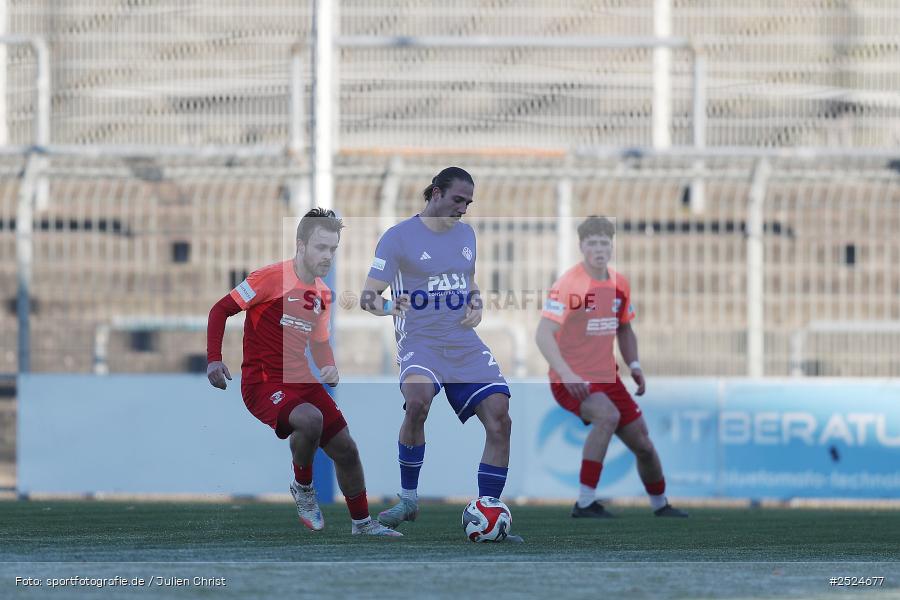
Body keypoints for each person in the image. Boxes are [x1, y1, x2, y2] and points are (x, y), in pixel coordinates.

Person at [206, 207, 401, 536]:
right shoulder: (270, 278)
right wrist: (214, 358)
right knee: (310, 419)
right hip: (263, 382)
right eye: (321, 247)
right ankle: (303, 488)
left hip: (303, 382)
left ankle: (362, 524)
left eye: (333, 249)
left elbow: (320, 342)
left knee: (347, 449)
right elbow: (220, 309)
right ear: (301, 245)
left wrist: (328, 365)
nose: (328, 256)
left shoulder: (323, 294)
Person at [361, 167, 521, 540]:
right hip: (421, 343)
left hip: (463, 345)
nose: (463, 208)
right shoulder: (398, 238)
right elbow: (369, 297)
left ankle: (489, 510)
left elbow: (469, 282)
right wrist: (390, 309)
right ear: (435, 193)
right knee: (417, 403)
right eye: (457, 200)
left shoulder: (466, 234)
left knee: (501, 419)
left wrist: (477, 305)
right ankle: (409, 500)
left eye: (468, 202)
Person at [535, 216, 687, 519]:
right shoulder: (569, 284)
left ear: (612, 246)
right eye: (592, 243)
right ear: (581, 247)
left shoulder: (620, 284)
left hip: (609, 379)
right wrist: (566, 373)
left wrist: (634, 364)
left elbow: (625, 329)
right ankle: (585, 503)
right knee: (607, 416)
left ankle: (661, 505)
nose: (599, 248)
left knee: (643, 445)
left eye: (604, 242)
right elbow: (543, 334)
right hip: (571, 379)